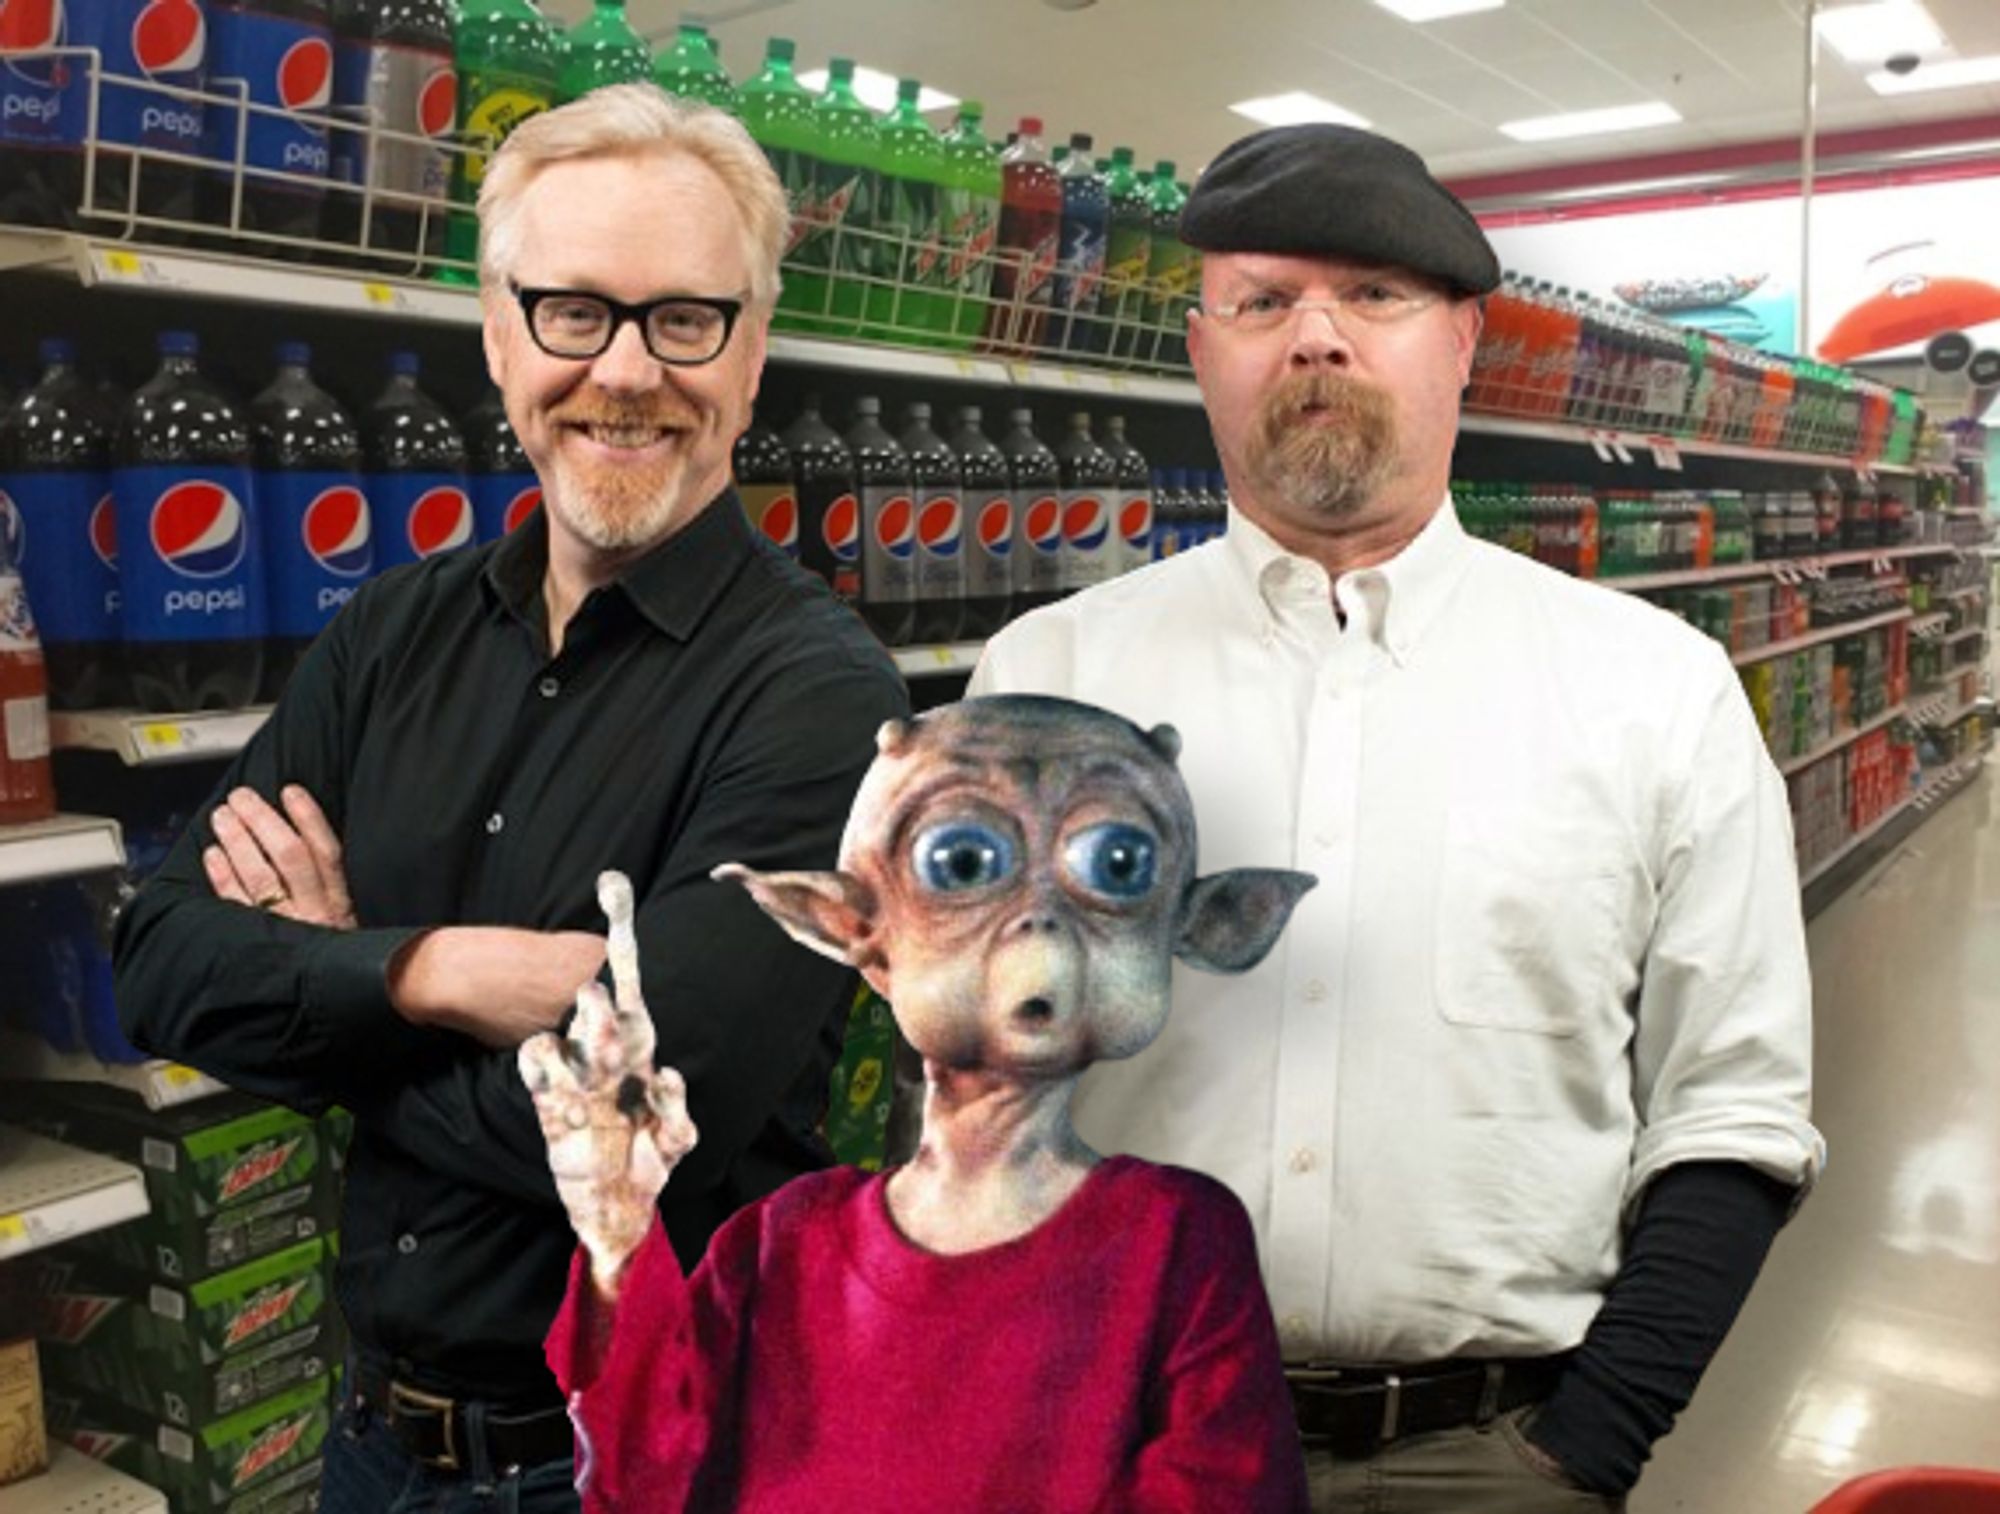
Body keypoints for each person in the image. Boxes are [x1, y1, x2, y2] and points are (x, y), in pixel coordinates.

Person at [969, 122, 1825, 1513]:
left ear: (1464, 340)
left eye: (1373, 296)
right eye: (1262, 301)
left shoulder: (1656, 691)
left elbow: (1734, 1107)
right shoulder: (1049, 679)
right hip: (1123, 1440)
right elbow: (976, 1081)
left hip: (1493, 1451)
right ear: (1201, 352)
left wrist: (1585, 1446)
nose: (1316, 338)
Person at [113, 83, 908, 1513]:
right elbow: (159, 965)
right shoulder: (389, 635)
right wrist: (429, 970)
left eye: (684, 319)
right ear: (497, 335)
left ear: (752, 349)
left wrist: (325, 986)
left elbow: (644, 1129)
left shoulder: (822, 696)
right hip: (368, 1446)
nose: (624, 371)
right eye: (573, 312)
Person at [524, 697, 1315, 1511]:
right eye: (963, 862)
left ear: (1209, 926)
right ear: (850, 926)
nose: (1037, 921)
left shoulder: (1177, 1240)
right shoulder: (777, 1244)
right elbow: (639, 1481)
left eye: (1116, 866)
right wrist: (617, 1232)